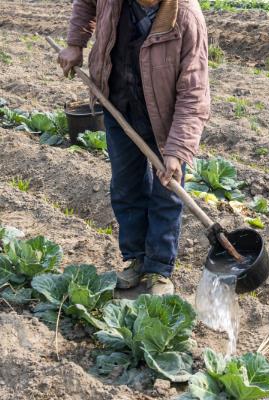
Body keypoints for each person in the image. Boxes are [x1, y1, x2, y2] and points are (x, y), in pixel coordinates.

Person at [57, 0, 210, 295]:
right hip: (118, 105)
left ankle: (158, 270)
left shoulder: (187, 17)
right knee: (126, 187)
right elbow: (85, 4)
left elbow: (194, 93)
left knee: (167, 193)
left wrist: (177, 150)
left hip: (166, 120)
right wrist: (75, 43)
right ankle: (136, 259)